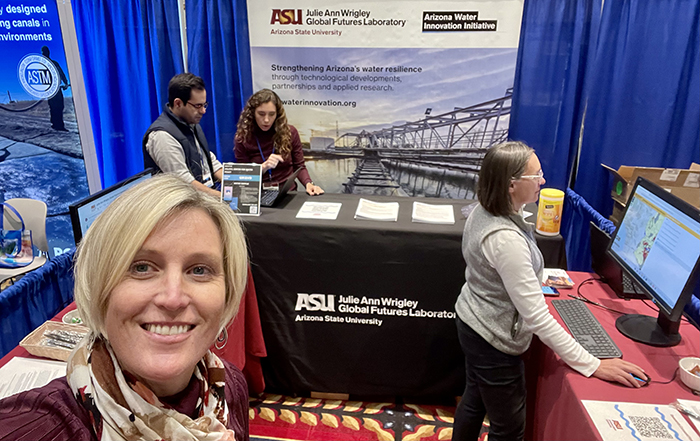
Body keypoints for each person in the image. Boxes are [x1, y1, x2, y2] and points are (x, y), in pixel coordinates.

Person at [0, 174, 250, 441]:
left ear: (228, 292)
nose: (173, 298)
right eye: (141, 267)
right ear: (100, 288)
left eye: (199, 270)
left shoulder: (229, 386)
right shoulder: (36, 428)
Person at [452, 141, 648, 441]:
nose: (543, 180)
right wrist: (593, 364)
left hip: (473, 319)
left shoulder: (484, 208)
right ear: (511, 185)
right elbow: (538, 319)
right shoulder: (506, 240)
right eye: (536, 175)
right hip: (494, 340)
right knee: (508, 429)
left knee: (475, 398)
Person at [143, 73, 223, 198]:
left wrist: (237, 184)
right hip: (181, 207)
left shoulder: (190, 123)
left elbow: (208, 160)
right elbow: (185, 182)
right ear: (178, 103)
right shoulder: (161, 136)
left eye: (204, 104)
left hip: (202, 198)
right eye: (198, 106)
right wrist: (223, 198)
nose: (203, 111)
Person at [234, 89, 324, 195]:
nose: (266, 120)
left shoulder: (290, 133)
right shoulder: (243, 138)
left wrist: (309, 183)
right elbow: (243, 176)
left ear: (277, 114)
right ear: (252, 114)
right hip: (257, 194)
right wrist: (263, 167)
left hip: (287, 193)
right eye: (261, 114)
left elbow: (299, 166)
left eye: (271, 114)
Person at [41, 46, 70, 131]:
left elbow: (61, 73)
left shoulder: (55, 63)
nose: (44, 54)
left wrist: (65, 83)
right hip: (50, 90)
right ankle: (55, 124)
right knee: (53, 107)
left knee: (60, 106)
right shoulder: (42, 65)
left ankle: (60, 125)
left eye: (46, 51)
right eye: (43, 52)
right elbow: (43, 79)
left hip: (57, 88)